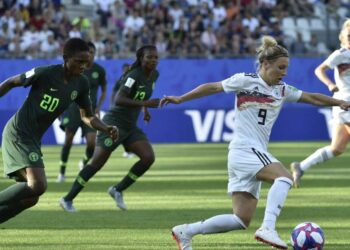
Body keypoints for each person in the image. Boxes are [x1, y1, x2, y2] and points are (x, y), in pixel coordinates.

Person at [160, 36, 350, 250]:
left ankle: (186, 231)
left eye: (286, 68)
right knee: (285, 178)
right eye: (280, 67)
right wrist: (181, 99)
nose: (284, 73)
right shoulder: (245, 80)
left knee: (240, 219)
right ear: (265, 64)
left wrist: (340, 102)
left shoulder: (281, 90)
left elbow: (313, 97)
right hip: (245, 148)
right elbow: (212, 87)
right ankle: (268, 228)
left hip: (247, 154)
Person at [0, 38, 118, 224]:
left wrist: (105, 127)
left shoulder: (81, 84)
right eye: (79, 61)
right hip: (18, 134)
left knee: (31, 197)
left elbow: (87, 116)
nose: (83, 66)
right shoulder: (45, 72)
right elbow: (10, 82)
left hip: (33, 139)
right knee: (38, 185)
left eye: (86, 62)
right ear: (65, 58)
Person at [60, 45, 160, 212]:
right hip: (114, 123)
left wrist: (145, 110)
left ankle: (117, 189)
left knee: (148, 157)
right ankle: (67, 199)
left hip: (130, 126)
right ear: (141, 58)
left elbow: (141, 95)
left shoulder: (154, 75)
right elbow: (120, 99)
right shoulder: (133, 75)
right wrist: (145, 104)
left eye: (156, 57)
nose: (153, 60)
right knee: (96, 164)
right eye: (150, 57)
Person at [290, 19, 350, 188]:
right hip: (344, 103)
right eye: (349, 36)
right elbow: (319, 69)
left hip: (344, 107)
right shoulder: (341, 54)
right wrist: (330, 84)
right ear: (342, 38)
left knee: (337, 148)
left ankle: (301, 166)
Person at [57, 41, 107, 183]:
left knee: (91, 143)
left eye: (92, 53)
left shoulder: (100, 70)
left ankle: (84, 163)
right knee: (68, 141)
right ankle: (62, 172)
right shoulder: (76, 68)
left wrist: (99, 106)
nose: (89, 56)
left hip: (90, 111)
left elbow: (104, 90)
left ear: (95, 54)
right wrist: (60, 108)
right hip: (73, 109)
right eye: (88, 53)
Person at [109, 63, 135, 159]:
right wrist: (112, 105)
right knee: (122, 129)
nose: (126, 71)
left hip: (129, 109)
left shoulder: (133, 80)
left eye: (128, 69)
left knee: (125, 130)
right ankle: (125, 150)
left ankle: (128, 150)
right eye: (125, 69)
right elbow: (113, 92)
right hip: (120, 109)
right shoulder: (121, 80)